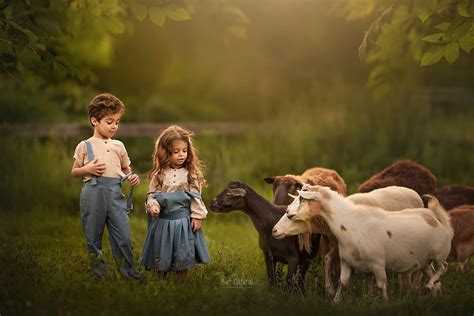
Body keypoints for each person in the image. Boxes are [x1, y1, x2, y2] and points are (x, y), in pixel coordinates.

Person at [71, 93, 142, 280]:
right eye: (110, 122)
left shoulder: (119, 145)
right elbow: (74, 171)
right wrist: (89, 168)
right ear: (94, 120)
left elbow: (126, 168)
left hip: (115, 194)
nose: (114, 126)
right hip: (92, 194)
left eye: (117, 122)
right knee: (93, 236)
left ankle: (128, 272)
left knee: (123, 236)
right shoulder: (85, 145)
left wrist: (131, 176)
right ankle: (98, 274)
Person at [141, 125, 210, 283]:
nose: (181, 155)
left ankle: (180, 285)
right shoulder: (159, 174)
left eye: (184, 151)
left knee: (182, 253)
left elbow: (195, 196)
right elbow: (151, 195)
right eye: (176, 151)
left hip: (182, 222)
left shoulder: (190, 173)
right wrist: (153, 206)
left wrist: (197, 216)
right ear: (165, 152)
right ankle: (161, 283)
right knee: (161, 252)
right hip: (163, 221)